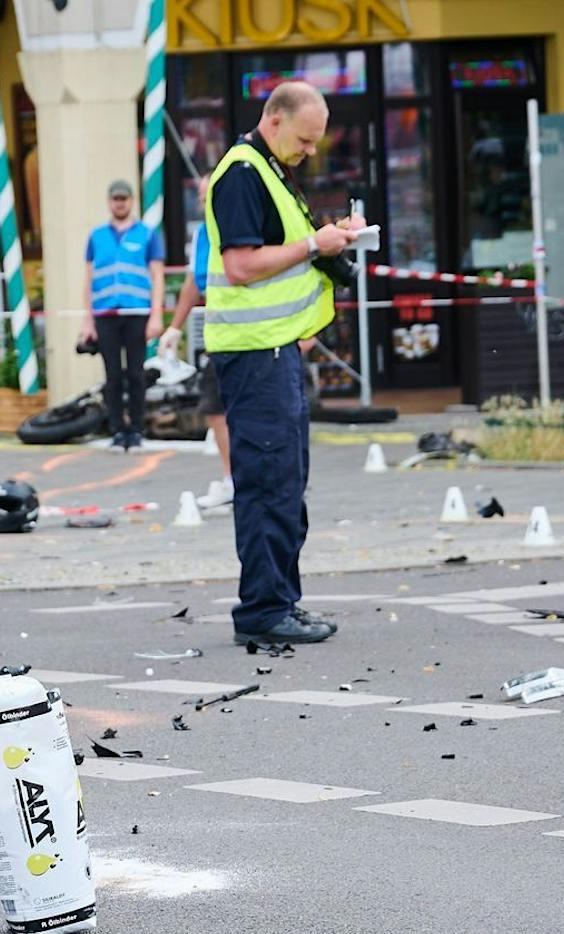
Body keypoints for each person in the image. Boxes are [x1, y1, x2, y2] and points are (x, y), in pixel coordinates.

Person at [203, 81, 363, 647]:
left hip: (275, 352)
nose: (310, 151)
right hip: (256, 355)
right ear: (274, 120)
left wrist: (328, 241)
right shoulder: (244, 173)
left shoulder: (268, 171)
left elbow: (282, 252)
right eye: (304, 139)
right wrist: (315, 246)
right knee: (268, 485)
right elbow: (243, 265)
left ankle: (280, 603)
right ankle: (264, 610)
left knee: (285, 485)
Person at [82, 179, 165, 452]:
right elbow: (88, 279)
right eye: (116, 198)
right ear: (109, 202)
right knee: (113, 375)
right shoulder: (96, 237)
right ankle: (118, 429)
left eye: (124, 198)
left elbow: (157, 277)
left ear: (131, 201)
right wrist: (88, 319)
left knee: (136, 374)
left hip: (137, 311)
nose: (120, 203)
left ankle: (137, 429)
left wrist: (156, 316)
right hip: (105, 312)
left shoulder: (147, 234)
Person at [162, 216, 233, 509]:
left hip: (252, 333)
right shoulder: (202, 233)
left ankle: (272, 481)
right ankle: (233, 480)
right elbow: (193, 282)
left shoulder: (239, 223)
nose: (206, 204)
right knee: (215, 409)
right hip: (220, 335)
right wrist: (175, 327)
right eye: (201, 198)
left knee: (255, 411)